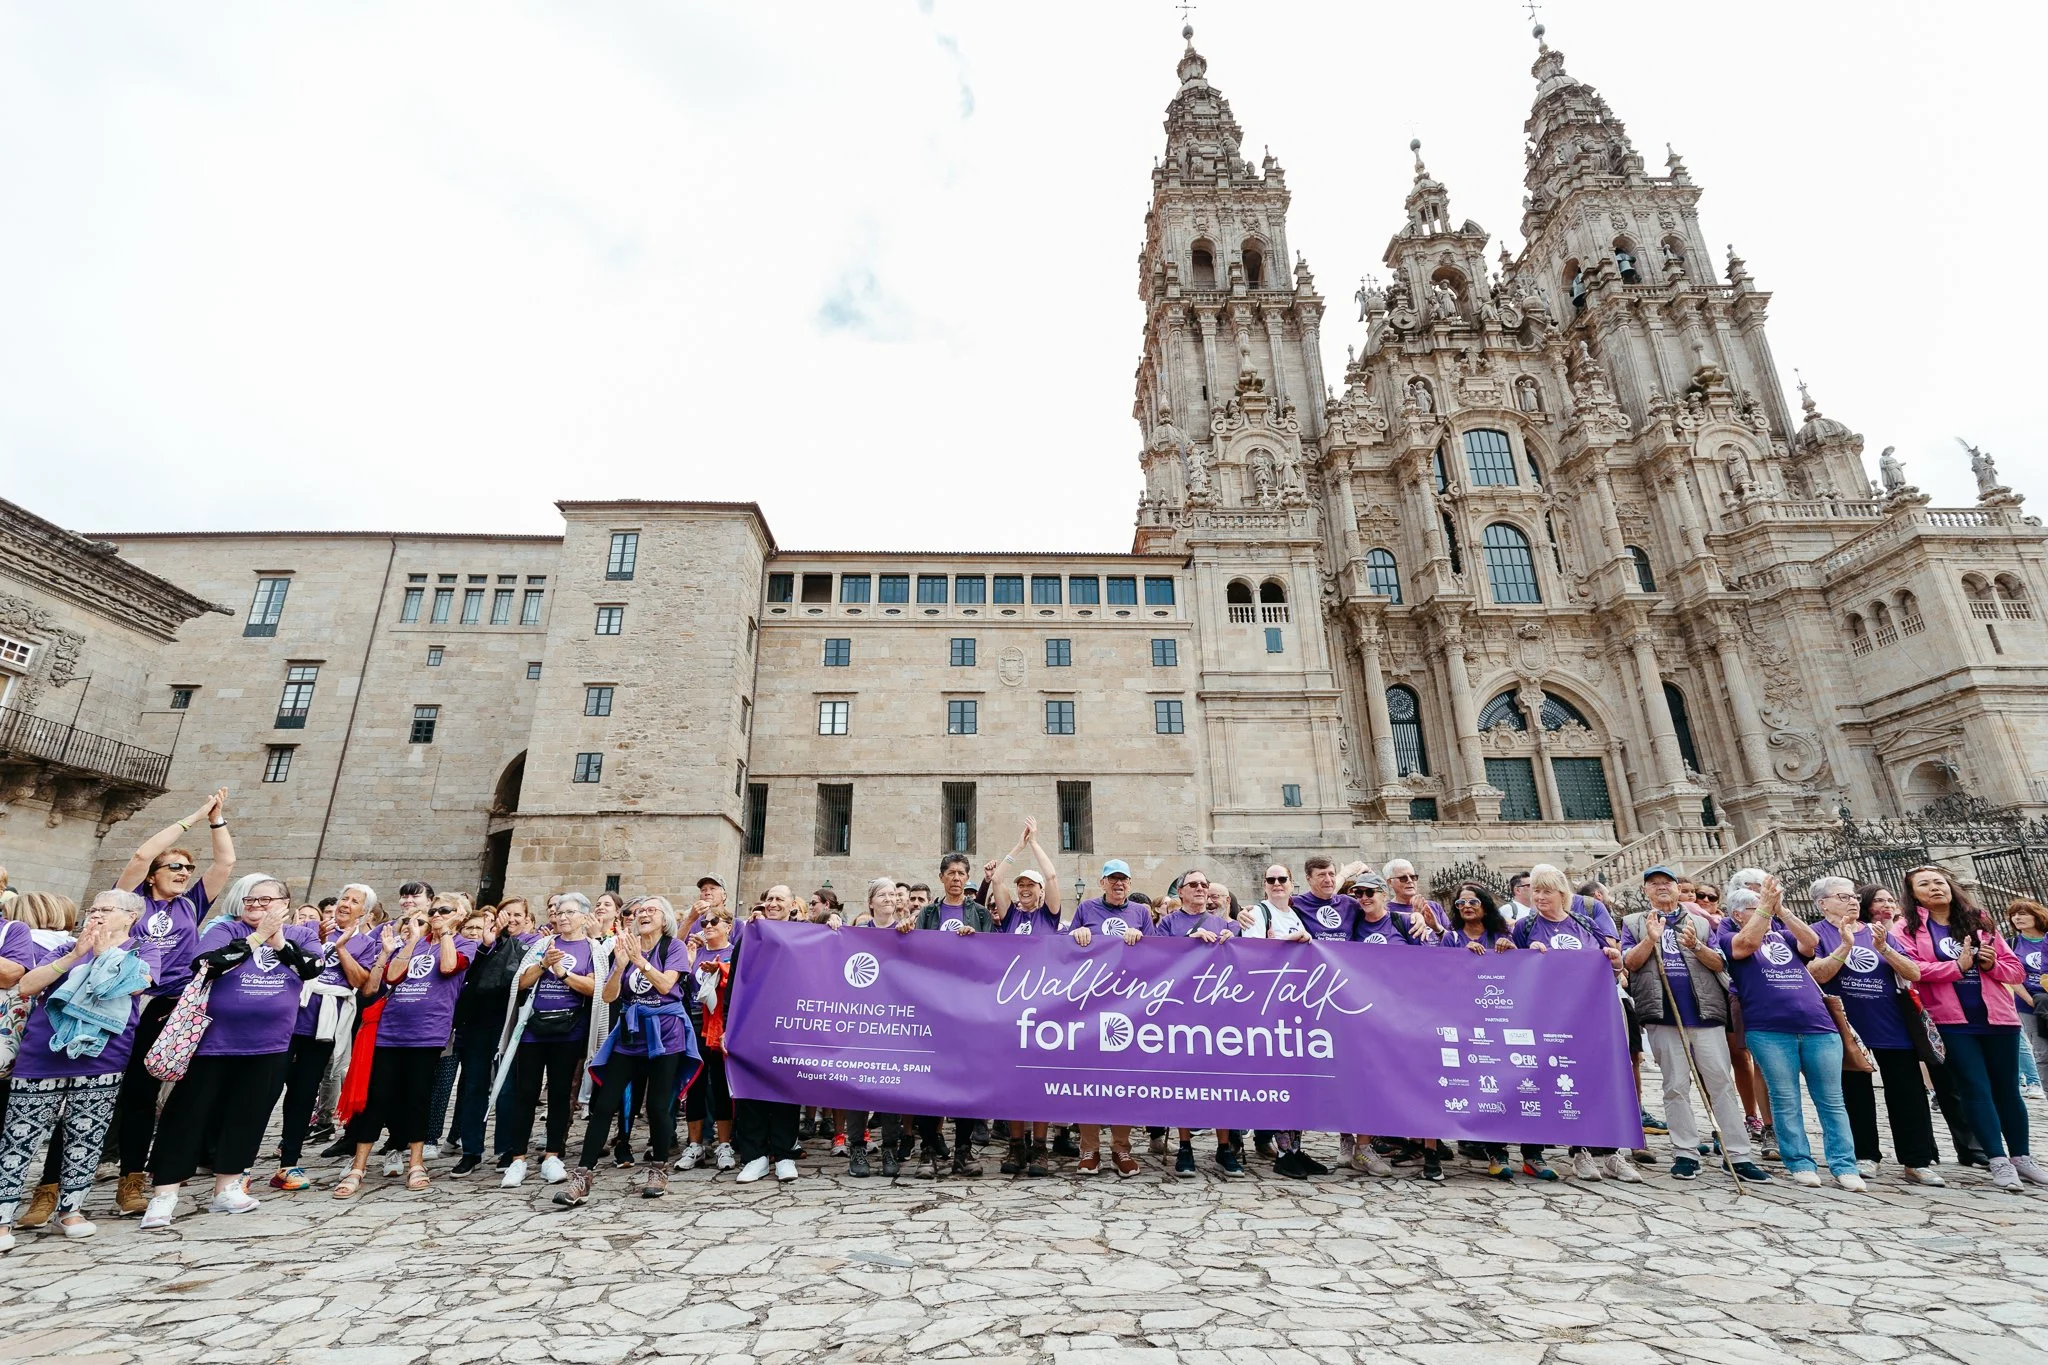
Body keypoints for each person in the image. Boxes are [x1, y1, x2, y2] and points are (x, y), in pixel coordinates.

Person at [142, 874, 322, 1228]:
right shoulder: (226, 929)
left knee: (248, 1115)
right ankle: (164, 1194)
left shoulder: (302, 935)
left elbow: (311, 968)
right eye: (250, 901)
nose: (255, 906)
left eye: (265, 901)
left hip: (269, 1043)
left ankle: (227, 1187)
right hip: (214, 1041)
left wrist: (278, 938)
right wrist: (256, 937)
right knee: (188, 1114)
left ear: (285, 903)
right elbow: (209, 963)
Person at [0, 890, 155, 1250]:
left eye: (106, 910)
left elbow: (134, 985)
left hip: (104, 1055)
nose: (96, 915)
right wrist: (75, 955)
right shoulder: (67, 947)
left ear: (130, 916)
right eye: (93, 909)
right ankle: (3, 1217)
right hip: (42, 1054)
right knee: (20, 1136)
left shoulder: (143, 950)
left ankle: (70, 1211)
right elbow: (26, 985)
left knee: (86, 1136)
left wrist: (103, 954)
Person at [108, 789, 237, 1217]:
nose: (184, 873)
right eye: (175, 866)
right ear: (153, 874)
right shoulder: (129, 901)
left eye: (188, 868)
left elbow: (226, 865)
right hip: (119, 1002)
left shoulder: (191, 905)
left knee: (149, 1092)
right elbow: (142, 855)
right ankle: (68, 1179)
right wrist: (195, 815)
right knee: (114, 1090)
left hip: (167, 1005)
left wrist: (218, 821)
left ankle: (135, 1177)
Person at [1893, 865, 2042, 1191]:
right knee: (1975, 1088)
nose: (1935, 888)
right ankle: (1997, 1159)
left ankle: (2022, 1157)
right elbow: (1913, 968)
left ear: (1950, 885)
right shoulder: (1908, 927)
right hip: (1952, 1021)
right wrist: (1955, 967)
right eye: (1925, 884)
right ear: (1913, 893)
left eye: (1939, 881)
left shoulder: (1979, 920)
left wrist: (1991, 964)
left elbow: (2015, 970)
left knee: (2009, 1090)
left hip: (1997, 1017)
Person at [1620, 867, 1767, 1184]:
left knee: (1721, 1085)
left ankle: (1738, 1154)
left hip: (1704, 1012)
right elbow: (1629, 964)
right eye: (1654, 884)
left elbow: (1720, 963)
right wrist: (1650, 939)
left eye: (1667, 883)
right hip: (1662, 1014)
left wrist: (1696, 947)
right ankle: (1685, 1152)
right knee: (1675, 1087)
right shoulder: (1633, 922)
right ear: (1645, 891)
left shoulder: (1701, 923)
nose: (1661, 888)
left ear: (1677, 889)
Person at [1718, 874, 1861, 1190]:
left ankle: (1844, 1164)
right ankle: (1799, 1161)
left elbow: (1811, 943)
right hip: (1769, 1029)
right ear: (1738, 915)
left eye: (1762, 906)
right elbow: (1746, 945)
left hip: (1818, 1026)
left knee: (1832, 1099)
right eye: (1754, 908)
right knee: (1785, 1098)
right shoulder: (1727, 935)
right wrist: (1765, 909)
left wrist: (1781, 910)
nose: (1762, 911)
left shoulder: (1783, 933)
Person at [332, 889, 478, 1198]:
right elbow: (392, 977)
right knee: (376, 1097)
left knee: (417, 1099)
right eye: (433, 911)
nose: (436, 916)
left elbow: (449, 967)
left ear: (459, 916)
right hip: (390, 1030)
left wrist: (445, 933)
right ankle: (359, 1166)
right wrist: (412, 940)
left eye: (444, 911)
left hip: (426, 1033)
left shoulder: (464, 943)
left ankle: (416, 1163)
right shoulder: (411, 942)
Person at [556, 897, 697, 1206]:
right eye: (641, 911)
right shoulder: (624, 947)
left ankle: (659, 1168)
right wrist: (620, 967)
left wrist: (641, 961)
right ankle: (583, 1175)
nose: (644, 914)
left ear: (665, 919)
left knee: (659, 1106)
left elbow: (665, 986)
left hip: (665, 1034)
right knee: (605, 1104)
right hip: (630, 1035)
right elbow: (607, 996)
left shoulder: (672, 947)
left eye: (652, 910)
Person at [1808, 878, 1945, 1186]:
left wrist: (1885, 949)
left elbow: (1913, 972)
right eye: (1843, 897)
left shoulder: (1876, 932)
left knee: (1908, 1094)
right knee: (1855, 1094)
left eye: (1855, 896)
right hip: (1847, 1026)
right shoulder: (1817, 934)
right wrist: (1845, 946)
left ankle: (1917, 1160)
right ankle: (1865, 1155)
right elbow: (1817, 973)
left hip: (1891, 1023)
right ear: (1823, 904)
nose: (1853, 901)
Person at [1513, 865, 1636, 1182]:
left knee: (1602, 1081)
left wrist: (1614, 959)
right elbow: (1515, 972)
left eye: (1546, 891)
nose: (1539, 896)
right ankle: (1580, 1152)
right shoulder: (1526, 928)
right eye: (1535, 890)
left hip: (1595, 1015)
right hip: (1552, 1018)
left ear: (1562, 894)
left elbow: (1613, 967)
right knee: (1569, 1083)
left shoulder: (1584, 922)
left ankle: (1611, 1154)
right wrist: (1528, 955)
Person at [898, 853, 993, 1178]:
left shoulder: (980, 914)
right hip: (933, 1008)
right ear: (941, 878)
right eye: (950, 873)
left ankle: (963, 1152)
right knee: (930, 1081)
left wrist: (976, 940)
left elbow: (994, 958)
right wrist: (906, 929)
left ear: (967, 878)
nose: (956, 878)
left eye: (961, 873)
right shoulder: (929, 913)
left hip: (969, 1009)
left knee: (967, 1081)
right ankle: (928, 1150)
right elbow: (911, 952)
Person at [499, 893, 602, 1188]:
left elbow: (594, 987)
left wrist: (564, 973)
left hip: (569, 1031)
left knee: (559, 1093)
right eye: (559, 912)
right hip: (533, 1030)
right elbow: (520, 981)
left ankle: (552, 1155)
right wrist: (544, 964)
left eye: (570, 912)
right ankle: (517, 1159)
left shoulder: (591, 949)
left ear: (584, 916)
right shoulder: (542, 944)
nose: (562, 917)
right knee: (525, 1092)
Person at [1067, 860, 1148, 1177]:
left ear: (1129, 884)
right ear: (1101, 883)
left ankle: (1121, 1148)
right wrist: (1079, 932)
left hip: (1127, 1006)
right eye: (1113, 879)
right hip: (1089, 1004)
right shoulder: (1086, 908)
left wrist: (1140, 939)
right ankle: (1089, 1148)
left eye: (1123, 880)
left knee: (1122, 1080)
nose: (1118, 884)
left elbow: (1158, 953)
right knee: (1088, 1079)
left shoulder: (1140, 913)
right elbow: (1067, 946)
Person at [444, 897, 527, 1177]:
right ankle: (471, 1151)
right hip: (478, 1024)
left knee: (506, 1090)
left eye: (517, 915)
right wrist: (487, 944)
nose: (511, 919)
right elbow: (470, 978)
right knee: (473, 1087)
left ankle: (505, 1148)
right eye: (506, 914)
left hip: (511, 1025)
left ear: (527, 919)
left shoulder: (531, 947)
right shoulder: (483, 945)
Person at [731, 885, 802, 1184]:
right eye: (769, 898)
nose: (773, 903)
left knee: (786, 1090)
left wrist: (833, 923)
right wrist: (727, 1024)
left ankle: (784, 1154)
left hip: (789, 1025)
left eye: (779, 900)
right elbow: (734, 982)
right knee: (751, 1091)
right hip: (751, 1024)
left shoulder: (803, 937)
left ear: (791, 906)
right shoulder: (749, 936)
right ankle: (755, 1156)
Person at [680, 906, 737, 1173]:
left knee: (721, 1085)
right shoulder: (696, 950)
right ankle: (694, 1144)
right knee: (696, 1083)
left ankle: (724, 1144)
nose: (708, 924)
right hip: (694, 1022)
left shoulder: (734, 952)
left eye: (715, 921)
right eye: (705, 921)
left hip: (722, 1025)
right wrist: (688, 964)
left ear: (728, 926)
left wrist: (721, 969)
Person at [2007, 900, 2048, 1098]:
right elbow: (2011, 976)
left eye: (2022, 913)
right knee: (2042, 1052)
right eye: (2014, 915)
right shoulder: (2012, 944)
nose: (2017, 918)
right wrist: (2031, 1000)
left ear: (2036, 915)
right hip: (2029, 1004)